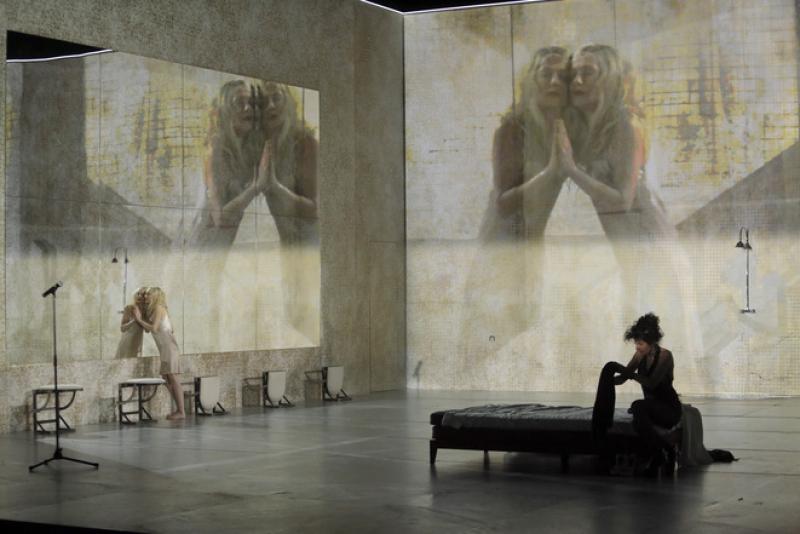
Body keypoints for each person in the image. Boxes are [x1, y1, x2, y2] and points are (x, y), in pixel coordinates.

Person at [558, 44, 704, 378]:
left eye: (588, 73)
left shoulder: (625, 125)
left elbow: (622, 198)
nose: (577, 80)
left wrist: (570, 169)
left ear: (608, 80)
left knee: (655, 329)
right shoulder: (589, 128)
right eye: (574, 74)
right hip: (629, 249)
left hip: (648, 242)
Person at [457, 46, 571, 388]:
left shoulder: (562, 129)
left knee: (522, 326)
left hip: (530, 248)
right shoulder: (513, 128)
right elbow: (505, 201)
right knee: (494, 332)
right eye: (546, 74)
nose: (554, 81)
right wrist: (552, 171)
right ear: (532, 80)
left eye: (562, 77)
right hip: (501, 246)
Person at [614, 313, 682, 475]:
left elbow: (651, 382)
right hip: (651, 408)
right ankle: (663, 451)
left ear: (651, 342)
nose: (637, 347)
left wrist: (629, 374)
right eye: (636, 343)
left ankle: (658, 454)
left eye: (640, 344)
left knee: (637, 406)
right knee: (638, 420)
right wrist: (609, 377)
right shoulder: (640, 355)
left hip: (668, 409)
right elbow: (624, 377)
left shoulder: (665, 356)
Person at [134, 287, 185, 420]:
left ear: (155, 296)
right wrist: (140, 312)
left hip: (169, 347)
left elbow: (154, 328)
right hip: (164, 348)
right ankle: (179, 409)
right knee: (166, 378)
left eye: (148, 295)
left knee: (173, 378)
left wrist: (139, 320)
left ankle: (181, 411)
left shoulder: (159, 308)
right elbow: (147, 330)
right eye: (144, 295)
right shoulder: (154, 310)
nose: (145, 297)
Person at [114, 287, 148, 359]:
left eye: (142, 294)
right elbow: (122, 328)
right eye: (138, 294)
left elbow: (147, 330)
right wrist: (134, 321)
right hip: (127, 341)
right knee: (122, 363)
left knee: (135, 365)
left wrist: (142, 320)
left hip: (137, 342)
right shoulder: (129, 308)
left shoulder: (145, 311)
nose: (140, 296)